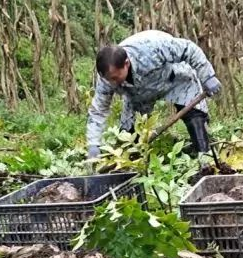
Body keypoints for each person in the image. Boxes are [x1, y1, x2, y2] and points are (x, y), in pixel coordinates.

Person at [87, 30, 222, 161]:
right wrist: (93, 143)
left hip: (174, 79)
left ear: (126, 64)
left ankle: (205, 159)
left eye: (115, 78)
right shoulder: (107, 79)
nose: (112, 83)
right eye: (109, 79)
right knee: (129, 139)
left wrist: (208, 76)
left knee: (195, 117)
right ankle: (135, 168)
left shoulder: (151, 47)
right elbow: (98, 110)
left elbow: (189, 49)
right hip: (139, 96)